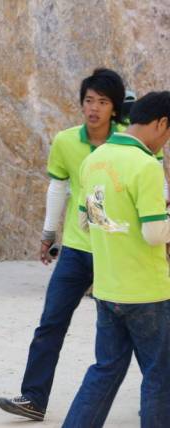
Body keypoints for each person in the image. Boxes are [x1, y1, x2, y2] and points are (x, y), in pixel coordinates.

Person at [0, 68, 129, 421]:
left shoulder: (129, 144)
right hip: (75, 248)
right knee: (51, 322)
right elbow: (58, 187)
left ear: (114, 108)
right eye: (89, 101)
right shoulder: (66, 141)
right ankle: (33, 398)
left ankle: (157, 401)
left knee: (125, 327)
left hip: (115, 251)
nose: (94, 108)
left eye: (102, 102)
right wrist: (47, 234)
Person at [63, 91, 170, 427]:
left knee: (105, 370)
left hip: (107, 288)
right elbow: (154, 235)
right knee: (160, 376)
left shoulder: (94, 159)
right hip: (147, 292)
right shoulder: (146, 166)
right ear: (161, 124)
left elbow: (85, 220)